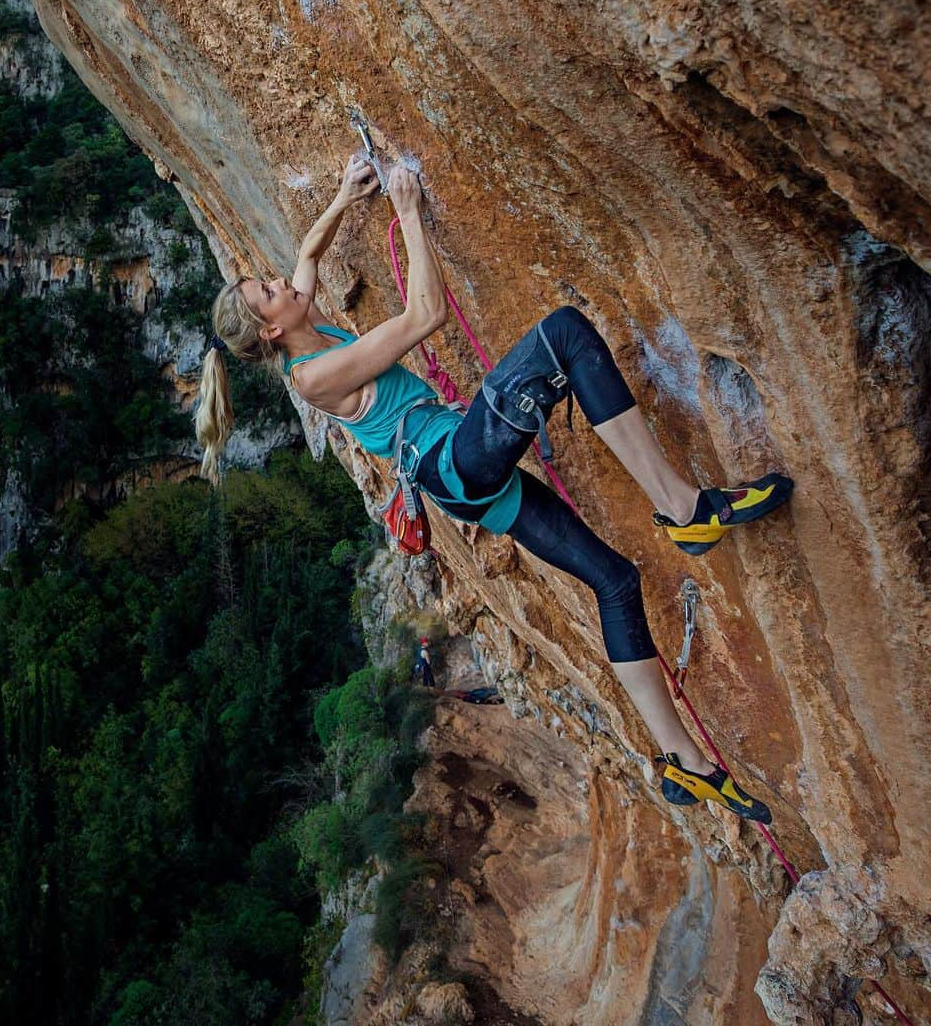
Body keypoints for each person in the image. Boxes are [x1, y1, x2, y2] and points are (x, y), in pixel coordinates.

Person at [194, 154, 793, 823]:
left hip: (455, 474)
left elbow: (307, 253)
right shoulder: (313, 374)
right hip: (455, 456)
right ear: (272, 328)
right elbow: (425, 316)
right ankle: (683, 509)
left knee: (616, 581)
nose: (281, 279)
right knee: (564, 333)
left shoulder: (303, 326)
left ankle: (685, 763)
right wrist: (407, 210)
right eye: (267, 292)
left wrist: (341, 195)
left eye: (271, 280)